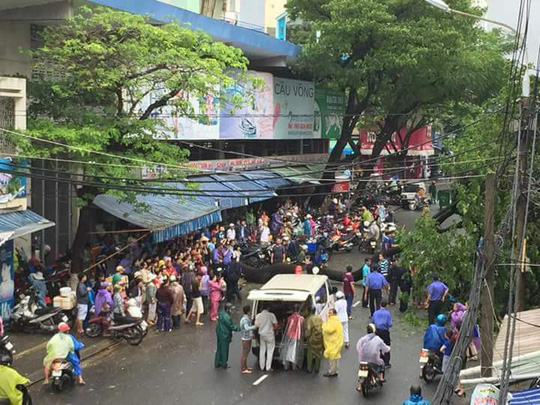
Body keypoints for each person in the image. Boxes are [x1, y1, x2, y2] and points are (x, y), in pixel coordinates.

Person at [214, 303, 240, 369]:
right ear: (228, 309)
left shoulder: (221, 314)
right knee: (224, 349)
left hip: (219, 333)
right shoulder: (227, 317)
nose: (232, 311)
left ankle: (217, 362)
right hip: (225, 335)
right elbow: (231, 326)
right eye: (231, 309)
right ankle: (224, 364)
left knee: (219, 348)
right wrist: (239, 328)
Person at [255, 306, 278, 372]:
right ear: (268, 308)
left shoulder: (258, 315)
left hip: (262, 335)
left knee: (262, 350)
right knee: (270, 351)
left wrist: (262, 326)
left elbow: (256, 325)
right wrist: (274, 329)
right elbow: (276, 325)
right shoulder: (271, 315)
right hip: (269, 335)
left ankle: (262, 366)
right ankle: (268, 367)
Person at [322, 308, 343, 377]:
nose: (328, 314)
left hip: (333, 343)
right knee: (336, 357)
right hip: (337, 342)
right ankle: (335, 371)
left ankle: (331, 371)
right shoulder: (337, 321)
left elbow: (329, 330)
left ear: (333, 314)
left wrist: (324, 324)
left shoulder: (332, 321)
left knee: (332, 358)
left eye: (330, 313)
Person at [373, 300, 393, 367]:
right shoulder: (387, 314)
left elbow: (373, 321)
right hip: (385, 331)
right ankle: (387, 363)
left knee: (378, 346)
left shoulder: (375, 313)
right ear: (386, 305)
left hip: (377, 331)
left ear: (380, 305)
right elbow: (390, 324)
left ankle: (379, 359)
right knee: (386, 346)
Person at [305, 305, 324, 374]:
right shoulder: (319, 318)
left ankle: (309, 368)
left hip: (312, 338)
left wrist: (306, 336)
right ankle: (317, 369)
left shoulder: (309, 319)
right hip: (320, 338)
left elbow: (308, 330)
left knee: (310, 353)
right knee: (318, 354)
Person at [239, 305, 257, 374]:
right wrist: (255, 326)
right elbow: (247, 328)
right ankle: (243, 368)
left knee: (245, 353)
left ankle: (245, 367)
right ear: (248, 311)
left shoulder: (245, 318)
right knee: (245, 354)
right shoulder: (245, 320)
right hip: (246, 339)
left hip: (246, 338)